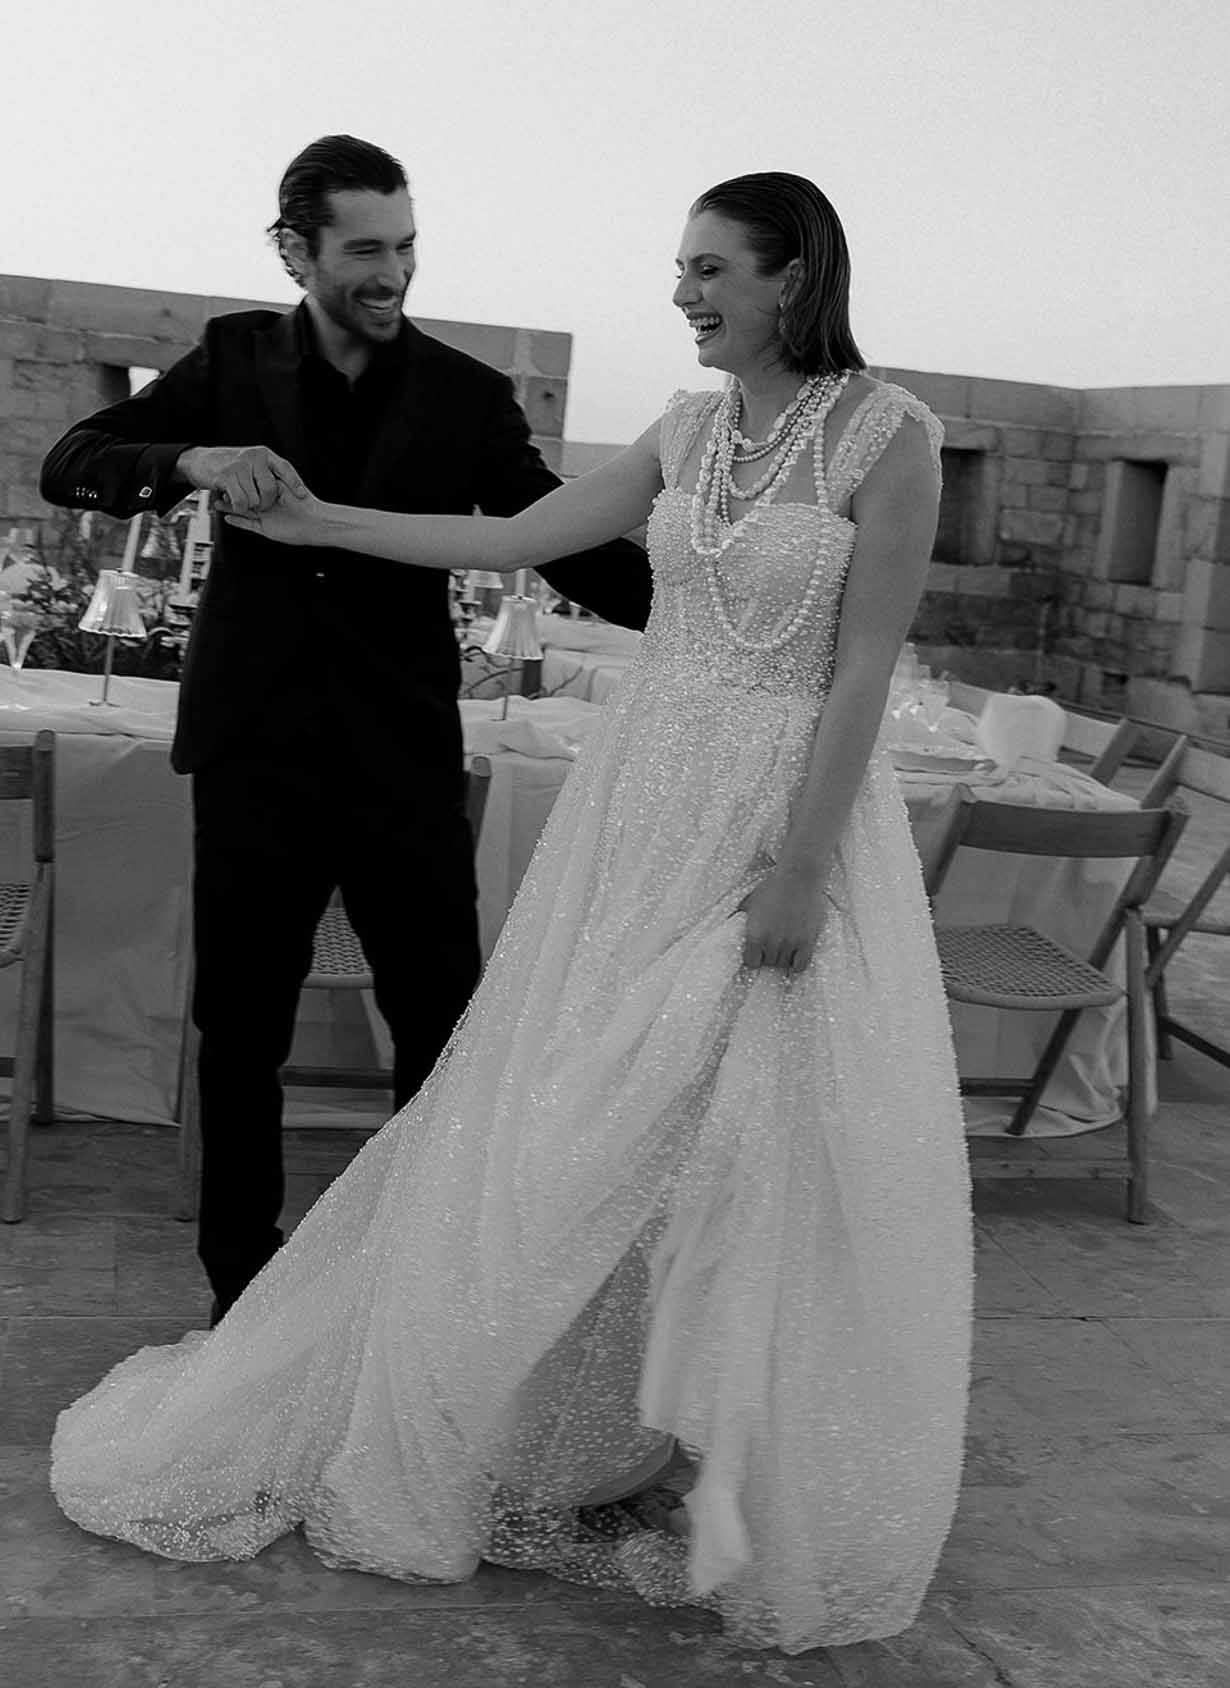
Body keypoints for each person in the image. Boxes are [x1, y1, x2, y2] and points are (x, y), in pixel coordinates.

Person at [50, 172, 972, 1655]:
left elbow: (860, 671)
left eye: (709, 269)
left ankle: (727, 1461)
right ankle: (575, 1416)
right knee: (579, 1117)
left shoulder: (890, 435)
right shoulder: (681, 433)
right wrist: (310, 515)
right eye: (676, 266)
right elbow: (507, 541)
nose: (679, 292)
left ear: (792, 278)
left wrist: (800, 867)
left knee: (753, 1133)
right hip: (639, 816)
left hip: (778, 821)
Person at [38, 136, 652, 1323]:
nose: (393, 270)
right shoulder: (229, 356)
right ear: (295, 249)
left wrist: (697, 603)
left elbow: (553, 527)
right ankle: (243, 1293)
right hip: (252, 747)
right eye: (366, 246)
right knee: (240, 1030)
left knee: (437, 1020)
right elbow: (74, 459)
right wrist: (195, 457)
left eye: (406, 244)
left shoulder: (468, 395)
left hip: (401, 753)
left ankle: (423, 1280)